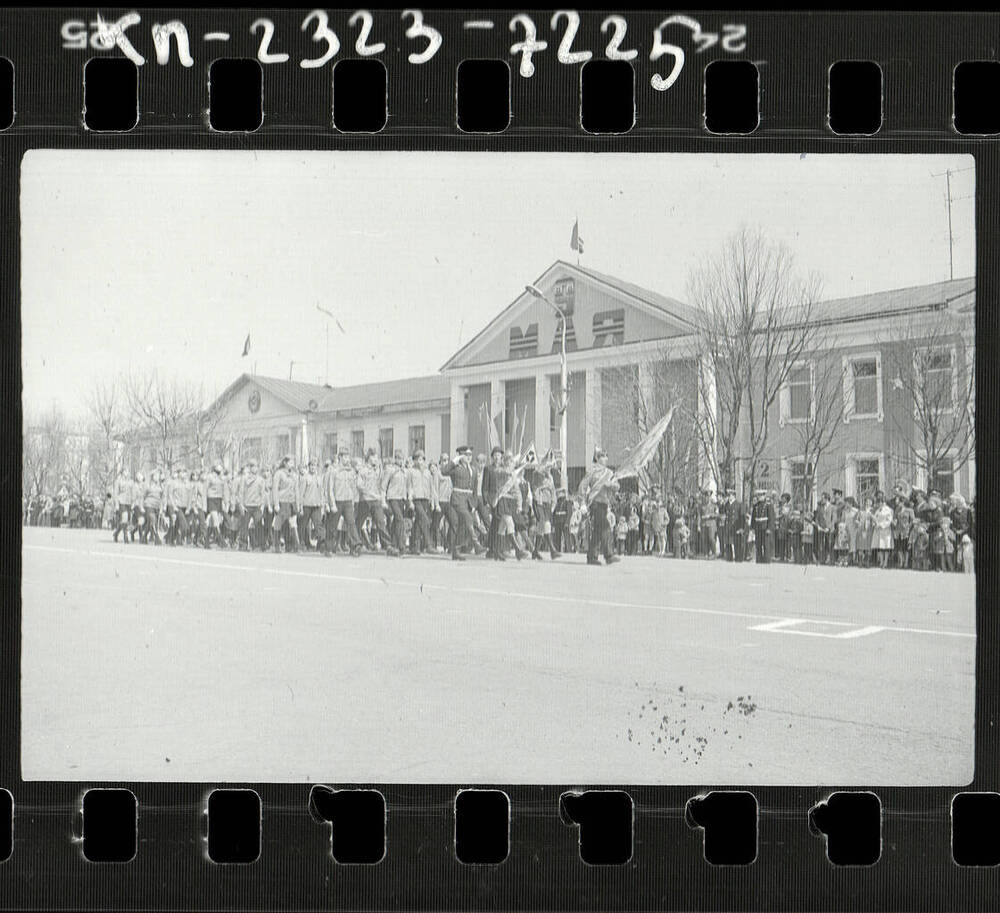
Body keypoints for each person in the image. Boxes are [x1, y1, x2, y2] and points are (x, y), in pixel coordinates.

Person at [441, 445, 486, 560]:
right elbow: (443, 471)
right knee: (468, 518)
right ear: (461, 456)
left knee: (461, 526)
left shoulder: (473, 470)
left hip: (468, 501)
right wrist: (453, 461)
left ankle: (455, 551)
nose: (469, 457)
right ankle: (476, 544)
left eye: (470, 455)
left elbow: (475, 490)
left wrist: (474, 505)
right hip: (457, 498)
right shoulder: (455, 468)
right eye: (466, 455)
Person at [577, 446, 620, 566]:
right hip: (595, 503)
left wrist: (610, 484)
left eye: (606, 456)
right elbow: (582, 486)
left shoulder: (610, 473)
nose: (605, 458)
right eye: (602, 456)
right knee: (605, 526)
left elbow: (617, 486)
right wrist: (582, 503)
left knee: (597, 531)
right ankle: (609, 555)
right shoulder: (592, 471)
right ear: (597, 458)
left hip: (605, 503)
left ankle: (592, 557)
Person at [331, 448, 362, 556]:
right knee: (333, 524)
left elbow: (352, 487)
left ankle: (355, 545)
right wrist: (331, 504)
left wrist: (353, 501)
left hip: (348, 501)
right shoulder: (333, 470)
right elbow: (329, 488)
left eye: (348, 457)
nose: (347, 459)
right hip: (337, 501)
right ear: (340, 457)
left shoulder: (350, 471)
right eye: (345, 457)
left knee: (351, 523)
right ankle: (329, 547)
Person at [407, 450, 435, 555]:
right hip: (416, 499)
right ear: (414, 460)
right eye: (417, 459)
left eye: (422, 459)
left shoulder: (428, 472)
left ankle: (415, 546)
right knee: (425, 520)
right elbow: (409, 486)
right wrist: (410, 501)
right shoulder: (411, 472)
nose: (420, 462)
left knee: (418, 522)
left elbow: (431, 487)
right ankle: (428, 545)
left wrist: (432, 501)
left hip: (425, 499)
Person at [271, 455, 301, 553]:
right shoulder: (279, 473)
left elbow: (296, 490)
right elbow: (275, 489)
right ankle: (276, 546)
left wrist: (298, 503)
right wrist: (276, 504)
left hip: (291, 502)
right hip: (281, 501)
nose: (292, 464)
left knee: (292, 523)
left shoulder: (294, 475)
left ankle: (295, 546)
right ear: (285, 463)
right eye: (290, 462)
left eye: (293, 462)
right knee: (278, 523)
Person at [382, 450, 408, 557]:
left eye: (402, 458)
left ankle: (392, 546)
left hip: (401, 498)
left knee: (396, 523)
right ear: (395, 459)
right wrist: (383, 501)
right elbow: (383, 486)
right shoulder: (390, 470)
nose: (400, 460)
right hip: (392, 498)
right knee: (400, 520)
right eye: (398, 458)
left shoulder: (404, 471)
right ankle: (402, 547)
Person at [112, 468, 134, 544]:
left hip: (129, 503)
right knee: (124, 517)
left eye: (128, 471)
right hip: (121, 502)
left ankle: (116, 533)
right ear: (122, 472)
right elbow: (115, 493)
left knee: (125, 521)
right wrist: (116, 505)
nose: (127, 473)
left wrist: (133, 503)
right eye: (125, 471)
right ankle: (125, 536)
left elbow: (133, 493)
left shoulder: (131, 482)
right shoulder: (118, 481)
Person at [873, 494, 894, 568]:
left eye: (879, 502)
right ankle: (881, 562)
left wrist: (882, 525)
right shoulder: (878, 510)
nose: (878, 504)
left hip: (885, 530)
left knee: (886, 546)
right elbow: (875, 518)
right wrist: (875, 524)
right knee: (880, 547)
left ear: (883, 502)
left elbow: (889, 520)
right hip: (878, 530)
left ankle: (885, 562)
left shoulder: (888, 510)